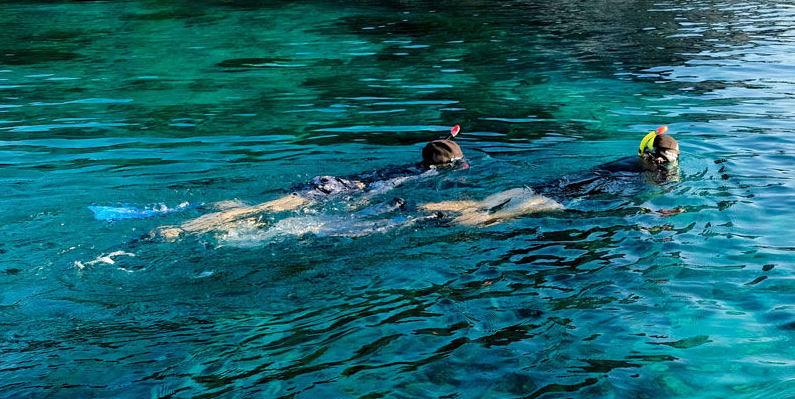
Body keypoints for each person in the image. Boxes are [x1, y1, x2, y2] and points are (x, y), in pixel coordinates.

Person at [152, 128, 469, 240]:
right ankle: (180, 230)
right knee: (260, 210)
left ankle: (214, 211)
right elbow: (382, 190)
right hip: (337, 191)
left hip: (330, 182)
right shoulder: (422, 175)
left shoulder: (412, 165)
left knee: (261, 207)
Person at [415, 125, 681, 225]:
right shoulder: (661, 174)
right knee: (496, 215)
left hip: (567, 179)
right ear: (672, 156)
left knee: (490, 201)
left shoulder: (632, 158)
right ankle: (455, 224)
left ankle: (431, 207)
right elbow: (650, 193)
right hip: (590, 190)